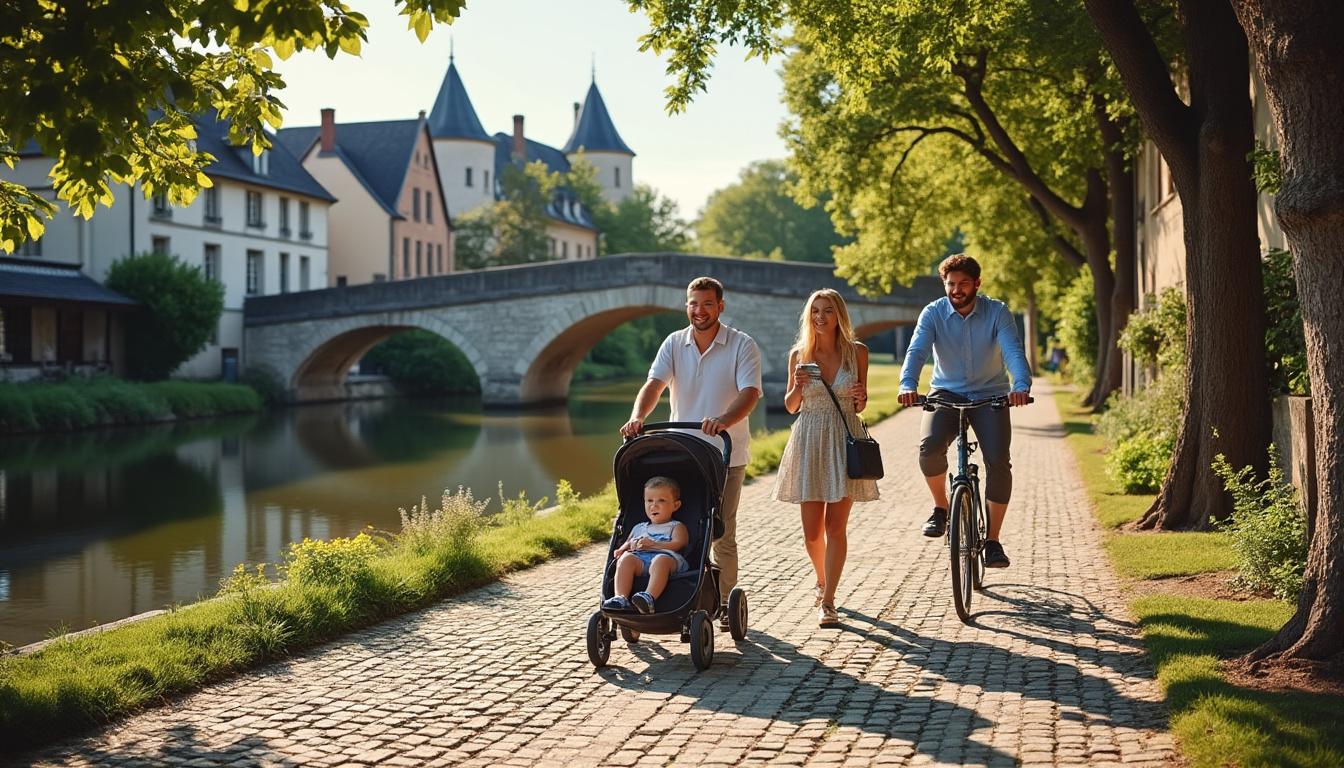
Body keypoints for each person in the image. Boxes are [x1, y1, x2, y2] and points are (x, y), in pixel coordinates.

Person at [621, 276, 762, 629]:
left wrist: (724, 419)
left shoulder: (741, 345)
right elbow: (654, 385)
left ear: (721, 306)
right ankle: (663, 594)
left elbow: (750, 392)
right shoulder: (673, 343)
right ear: (687, 305)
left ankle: (726, 603)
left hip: (724, 455)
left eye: (707, 304)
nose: (699, 311)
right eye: (693, 304)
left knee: (721, 533)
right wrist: (638, 417)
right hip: (682, 451)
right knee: (677, 525)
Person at [897, 254, 1031, 567]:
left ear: (977, 284)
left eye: (963, 284)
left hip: (991, 395)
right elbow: (917, 350)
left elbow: (1013, 350)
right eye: (951, 284)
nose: (956, 290)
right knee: (929, 447)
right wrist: (907, 384)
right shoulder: (933, 313)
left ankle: (993, 541)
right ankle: (941, 508)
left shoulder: (997, 311)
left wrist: (1021, 386)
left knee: (998, 461)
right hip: (945, 393)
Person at [773, 289, 879, 628]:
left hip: (844, 439)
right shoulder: (799, 354)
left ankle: (829, 600)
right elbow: (791, 406)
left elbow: (860, 404)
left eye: (827, 310)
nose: (820, 316)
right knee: (812, 533)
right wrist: (799, 386)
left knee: (836, 527)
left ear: (839, 315)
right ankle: (821, 579)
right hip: (810, 440)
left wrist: (862, 396)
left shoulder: (857, 352)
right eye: (815, 311)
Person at [603, 477, 690, 614]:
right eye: (649, 501)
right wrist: (622, 549)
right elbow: (627, 543)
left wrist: (654, 545)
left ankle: (648, 597)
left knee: (660, 560)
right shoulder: (639, 527)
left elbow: (679, 544)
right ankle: (620, 598)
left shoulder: (676, 526)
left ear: (675, 505)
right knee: (626, 559)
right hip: (641, 561)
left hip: (668, 560)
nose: (653, 506)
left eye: (661, 501)